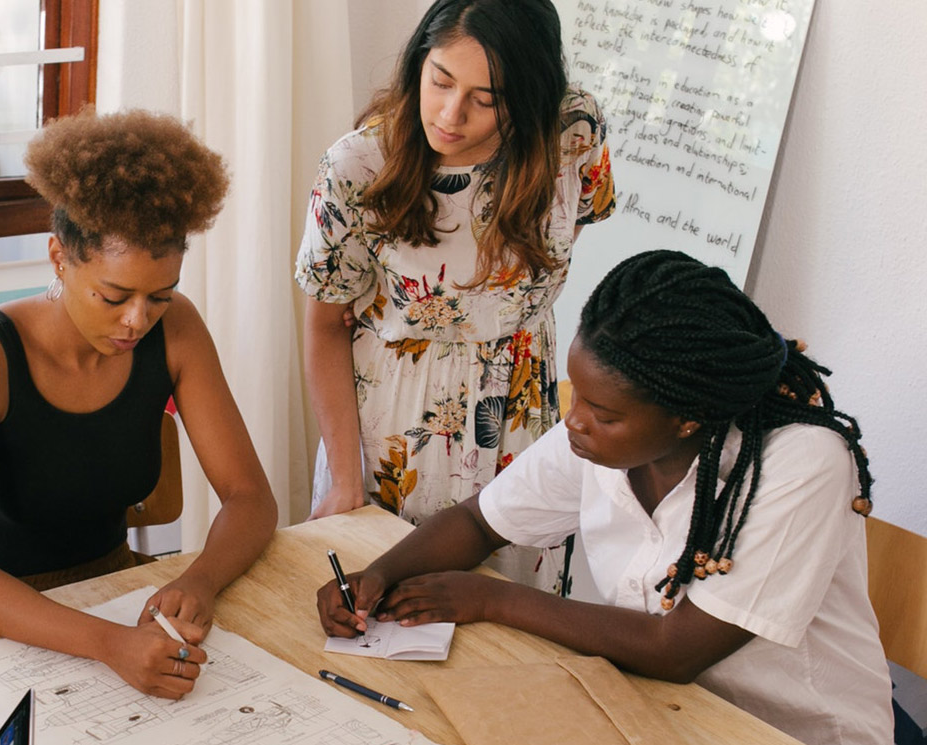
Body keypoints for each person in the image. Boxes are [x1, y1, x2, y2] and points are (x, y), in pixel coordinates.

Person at [315, 250, 891, 745]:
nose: (573, 422)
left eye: (602, 413)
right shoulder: (600, 440)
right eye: (578, 396)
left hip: (785, 730)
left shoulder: (802, 463)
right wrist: (379, 575)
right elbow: (479, 523)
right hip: (656, 710)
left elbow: (674, 649)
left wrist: (489, 599)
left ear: (687, 418)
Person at [0, 109, 278, 700]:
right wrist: (110, 644)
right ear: (60, 258)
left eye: (159, 297)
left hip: (113, 592)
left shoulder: (177, 330)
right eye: (114, 296)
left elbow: (250, 498)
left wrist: (201, 579)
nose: (137, 320)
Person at [295, 0, 615, 592]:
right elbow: (322, 326)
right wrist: (345, 478)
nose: (449, 113)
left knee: (515, 632)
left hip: (523, 417)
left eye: (485, 98)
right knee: (383, 615)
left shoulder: (573, 134)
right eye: (439, 80)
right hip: (398, 431)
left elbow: (568, 230)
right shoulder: (358, 167)